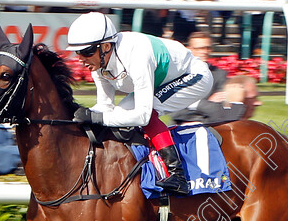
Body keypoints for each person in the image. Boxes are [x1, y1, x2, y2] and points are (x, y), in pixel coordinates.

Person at [67, 12, 215, 195]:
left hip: (193, 76)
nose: (81, 59)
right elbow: (105, 107)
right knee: (120, 116)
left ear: (105, 46)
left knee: (147, 114)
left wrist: (97, 117)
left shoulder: (136, 55)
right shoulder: (99, 63)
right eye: (78, 52)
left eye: (86, 52)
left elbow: (142, 116)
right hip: (161, 81)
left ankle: (177, 174)